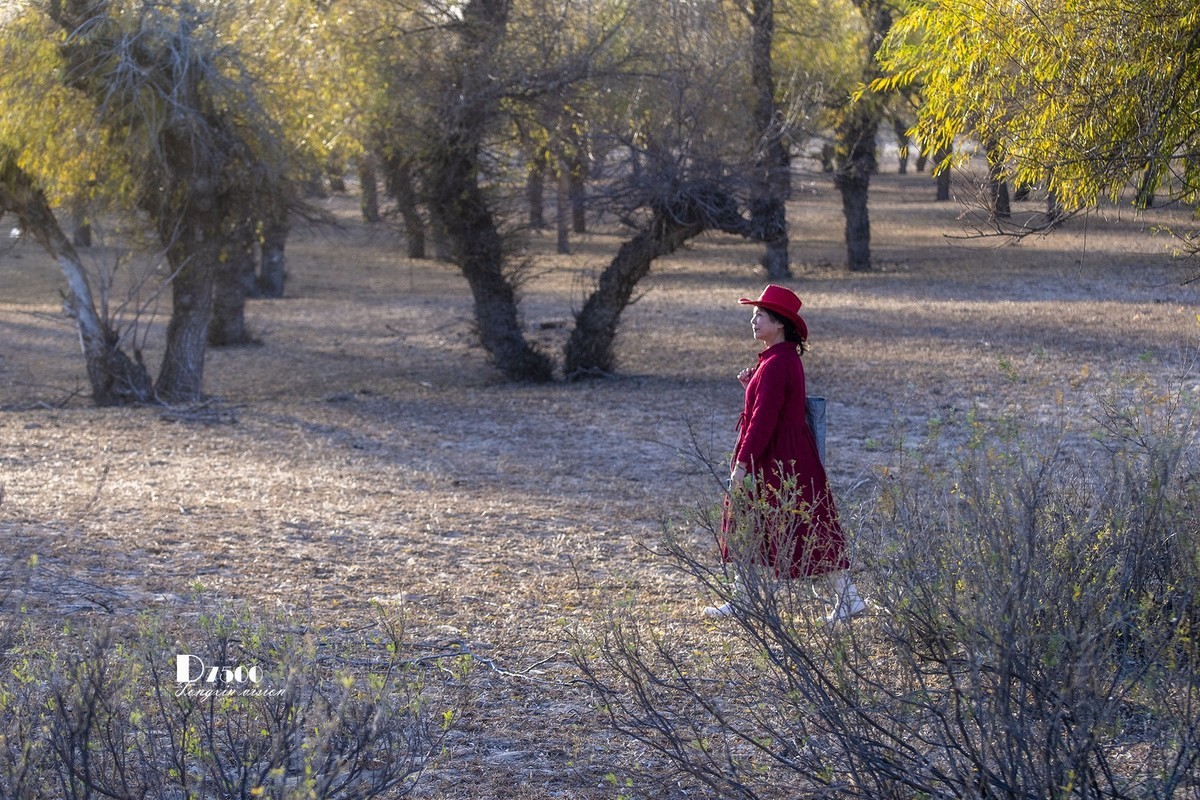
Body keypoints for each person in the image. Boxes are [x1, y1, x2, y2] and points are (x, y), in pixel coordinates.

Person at [703, 284, 866, 623]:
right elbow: (771, 406)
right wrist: (752, 387)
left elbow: (763, 421)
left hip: (779, 459)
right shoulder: (778, 360)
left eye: (759, 315)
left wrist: (742, 465)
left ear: (779, 323)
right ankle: (743, 598)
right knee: (753, 521)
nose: (753, 321)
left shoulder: (778, 364)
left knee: (807, 526)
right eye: (753, 315)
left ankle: (849, 598)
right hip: (783, 455)